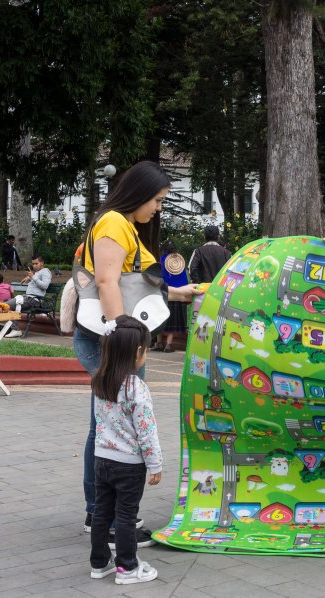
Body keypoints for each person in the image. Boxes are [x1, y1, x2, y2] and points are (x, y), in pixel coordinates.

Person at [74, 160, 202, 542]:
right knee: (114, 427)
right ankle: (107, 519)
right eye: (158, 200)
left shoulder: (124, 224)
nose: (158, 208)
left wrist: (182, 292)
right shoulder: (115, 223)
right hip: (113, 342)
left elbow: (139, 284)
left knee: (107, 424)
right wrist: (122, 338)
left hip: (115, 340)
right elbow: (107, 281)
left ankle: (99, 514)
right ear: (141, 194)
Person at [88, 315, 162, 585]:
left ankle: (99, 563)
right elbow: (146, 430)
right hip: (129, 464)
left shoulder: (100, 381)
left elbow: (99, 423)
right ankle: (128, 568)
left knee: (101, 513)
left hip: (102, 460)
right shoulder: (137, 388)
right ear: (137, 353)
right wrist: (155, 464)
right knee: (126, 516)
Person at [4, 255, 52, 338]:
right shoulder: (37, 273)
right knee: (5, 305)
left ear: (42, 263)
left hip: (35, 300)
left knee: (5, 305)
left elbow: (45, 286)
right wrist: (29, 277)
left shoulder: (45, 272)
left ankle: (15, 330)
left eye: (36, 263)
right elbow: (36, 279)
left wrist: (32, 277)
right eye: (33, 264)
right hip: (28, 298)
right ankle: (13, 328)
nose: (34, 265)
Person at [155, 241, 189, 353]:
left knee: (159, 318)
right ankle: (168, 344)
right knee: (172, 320)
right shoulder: (179, 262)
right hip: (177, 294)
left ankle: (159, 343)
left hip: (163, 292)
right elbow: (184, 280)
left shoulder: (161, 260)